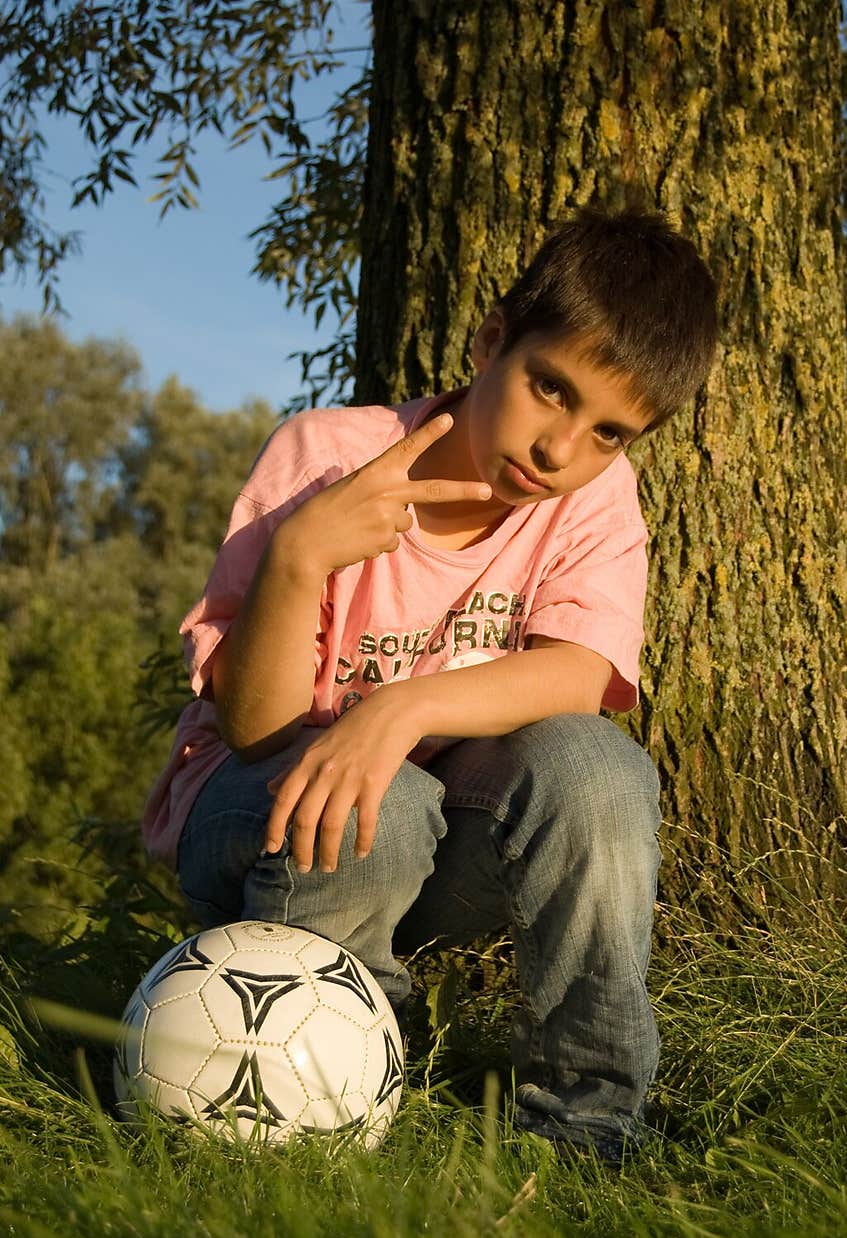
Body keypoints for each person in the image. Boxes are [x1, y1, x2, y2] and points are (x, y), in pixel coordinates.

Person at [142, 205, 718, 1164]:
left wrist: (400, 707)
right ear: (492, 340)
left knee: (599, 771)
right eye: (549, 388)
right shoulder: (326, 459)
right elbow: (250, 727)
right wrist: (298, 557)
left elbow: (579, 673)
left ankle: (587, 1127)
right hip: (257, 813)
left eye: (609, 432)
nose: (559, 449)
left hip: (433, 829)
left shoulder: (590, 500)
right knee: (386, 800)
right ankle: (314, 1099)